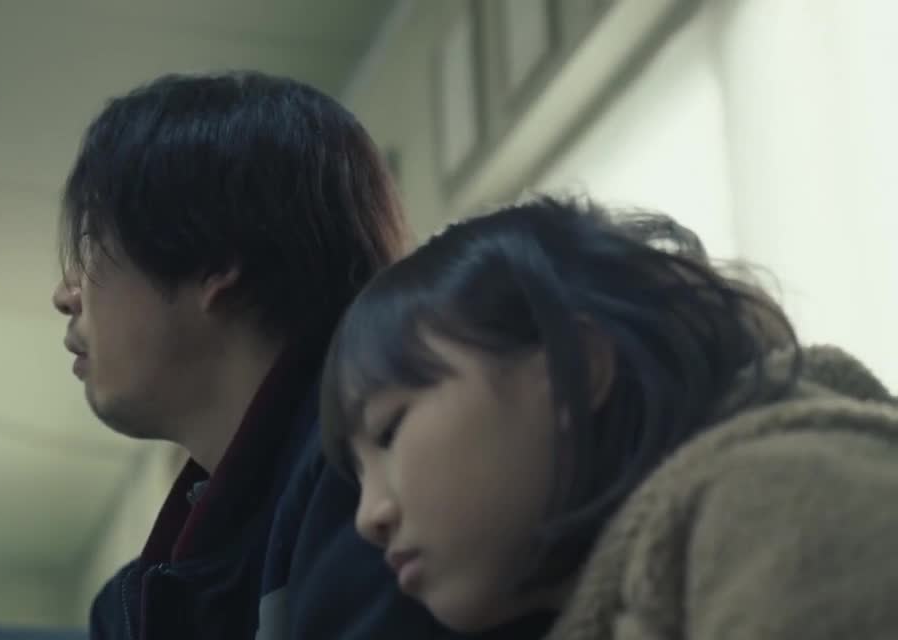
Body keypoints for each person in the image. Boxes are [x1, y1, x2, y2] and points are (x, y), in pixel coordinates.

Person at [51, 72, 508, 639]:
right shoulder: (140, 597)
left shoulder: (370, 490)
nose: (65, 295)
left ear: (214, 262)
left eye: (92, 244)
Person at [320, 195, 898, 639]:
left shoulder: (778, 499)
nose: (369, 518)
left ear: (574, 368)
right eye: (359, 471)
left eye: (388, 431)